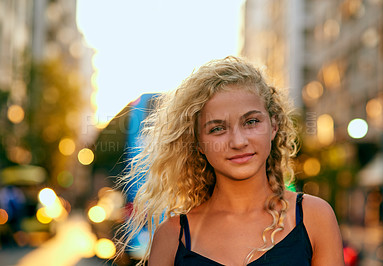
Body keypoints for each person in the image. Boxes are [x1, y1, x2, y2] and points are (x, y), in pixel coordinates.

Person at [118, 56, 344, 265]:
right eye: (217, 128)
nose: (238, 141)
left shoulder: (314, 217)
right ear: (198, 142)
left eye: (251, 122)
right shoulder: (171, 236)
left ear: (273, 126)